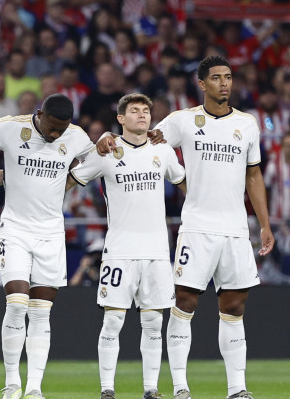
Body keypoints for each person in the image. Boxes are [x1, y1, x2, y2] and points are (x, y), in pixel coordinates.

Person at [98, 55, 274, 399]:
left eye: (228, 77)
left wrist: (263, 225)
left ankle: (237, 388)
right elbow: (140, 136)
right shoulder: (183, 121)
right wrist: (108, 134)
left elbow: (254, 175)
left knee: (235, 306)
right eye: (217, 78)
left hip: (236, 228)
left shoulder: (248, 124)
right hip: (196, 227)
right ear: (202, 83)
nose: (224, 83)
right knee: (185, 301)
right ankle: (180, 386)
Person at [68, 94, 187, 399]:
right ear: (121, 119)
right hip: (119, 250)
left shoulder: (162, 148)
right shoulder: (106, 150)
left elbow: (183, 182)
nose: (142, 115)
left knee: (152, 321)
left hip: (157, 251)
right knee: (113, 319)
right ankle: (107, 388)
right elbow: (73, 180)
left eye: (146, 111)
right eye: (134, 111)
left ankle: (150, 389)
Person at [0, 93, 93, 399]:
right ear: (40, 113)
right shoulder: (9, 127)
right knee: (16, 304)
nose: (56, 134)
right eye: (52, 127)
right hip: (15, 229)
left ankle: (33, 389)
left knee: (42, 313)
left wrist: (71, 180)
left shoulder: (76, 136)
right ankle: (12, 384)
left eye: (62, 129)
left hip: (52, 234)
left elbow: (98, 157)